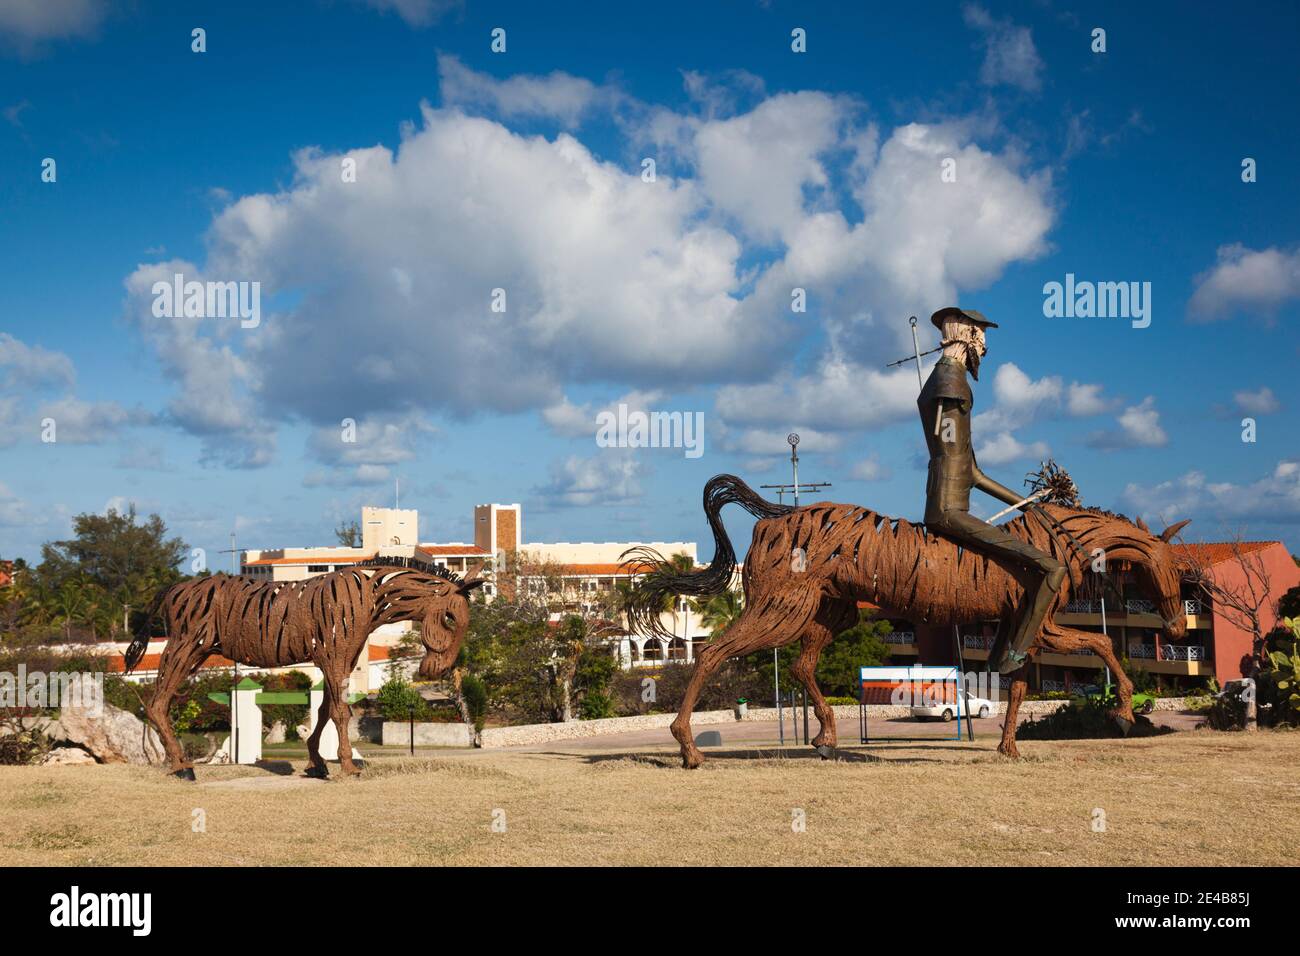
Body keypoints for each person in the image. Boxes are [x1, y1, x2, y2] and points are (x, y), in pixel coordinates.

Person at [917, 306, 1066, 674]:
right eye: (982, 338)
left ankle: (1001, 655)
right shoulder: (951, 382)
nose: (985, 348)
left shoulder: (945, 380)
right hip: (950, 510)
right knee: (1051, 569)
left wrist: (1029, 505)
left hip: (948, 500)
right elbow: (951, 448)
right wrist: (946, 431)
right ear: (967, 336)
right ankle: (1013, 656)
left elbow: (972, 472)